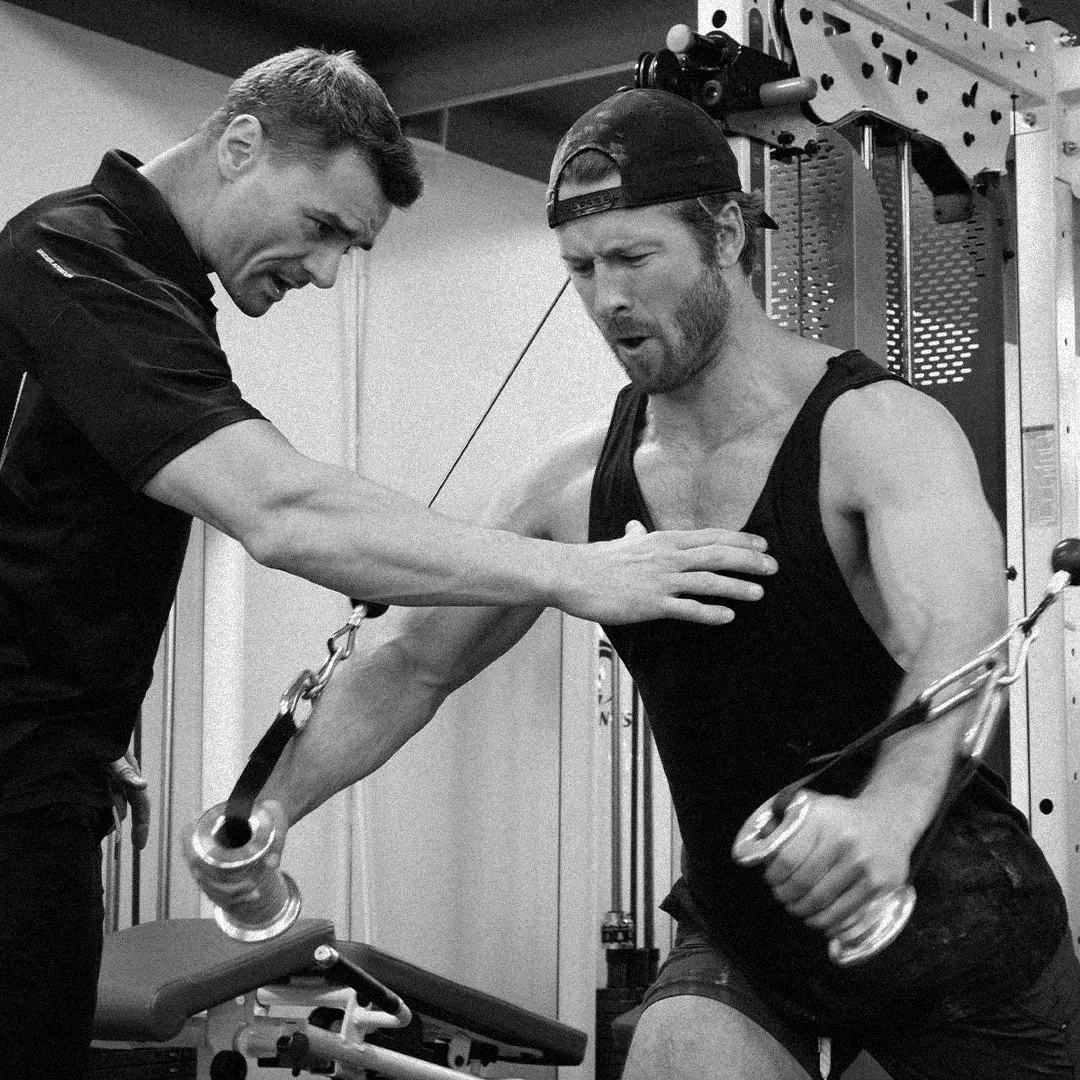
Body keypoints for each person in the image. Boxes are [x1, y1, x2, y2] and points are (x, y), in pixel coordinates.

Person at [209, 87, 1080, 1080]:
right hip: (748, 925)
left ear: (723, 236)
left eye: (633, 259)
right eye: (580, 268)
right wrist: (264, 810)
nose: (605, 298)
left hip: (954, 915)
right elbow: (411, 662)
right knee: (673, 1056)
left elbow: (961, 635)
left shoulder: (875, 429)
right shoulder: (575, 481)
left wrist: (885, 816)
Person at [0, 55, 773, 1078]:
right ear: (240, 146)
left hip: (49, 781)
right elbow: (284, 512)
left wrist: (84, 722)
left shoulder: (148, 292)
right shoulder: (75, 257)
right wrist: (570, 573)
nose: (325, 273)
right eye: (324, 228)